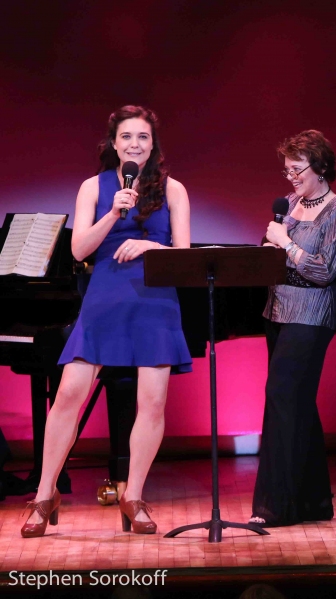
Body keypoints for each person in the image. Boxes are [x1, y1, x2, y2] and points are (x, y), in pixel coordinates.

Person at [20, 105, 192, 537]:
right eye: (128, 137)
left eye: (144, 138)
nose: (136, 144)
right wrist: (114, 214)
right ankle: (44, 494)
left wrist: (151, 246)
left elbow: (187, 259)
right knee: (68, 395)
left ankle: (134, 495)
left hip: (155, 302)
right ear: (113, 143)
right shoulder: (91, 189)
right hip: (106, 300)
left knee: (151, 403)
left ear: (154, 145)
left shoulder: (174, 190)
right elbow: (79, 250)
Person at [250, 130, 336, 527]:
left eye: (297, 168)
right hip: (277, 309)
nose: (290, 177)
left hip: (311, 313)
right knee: (298, 404)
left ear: (322, 166)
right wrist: (268, 248)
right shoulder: (291, 204)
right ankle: (313, 503)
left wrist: (287, 246)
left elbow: (325, 271)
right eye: (287, 169)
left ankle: (274, 506)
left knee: (280, 397)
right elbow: (276, 251)